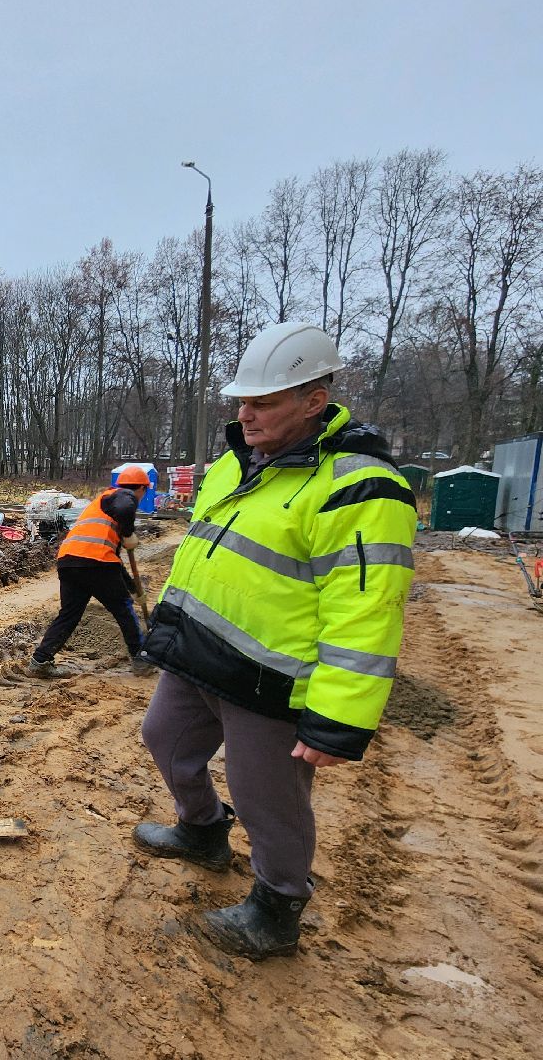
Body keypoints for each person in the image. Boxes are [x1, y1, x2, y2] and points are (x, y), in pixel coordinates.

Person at [133, 322, 416, 959]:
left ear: (313, 401)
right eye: (243, 401)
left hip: (272, 677)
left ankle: (277, 905)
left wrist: (337, 720)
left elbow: (367, 612)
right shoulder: (237, 464)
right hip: (199, 652)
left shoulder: (359, 487)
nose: (245, 414)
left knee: (268, 799)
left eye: (262, 402)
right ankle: (203, 830)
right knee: (164, 740)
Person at [25, 465, 154, 679]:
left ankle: (40, 660)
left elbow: (114, 560)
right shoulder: (123, 495)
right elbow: (125, 509)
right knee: (123, 609)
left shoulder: (101, 505)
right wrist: (128, 533)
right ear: (141, 488)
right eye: (143, 492)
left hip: (69, 562)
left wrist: (133, 588)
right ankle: (140, 659)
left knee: (69, 614)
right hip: (96, 564)